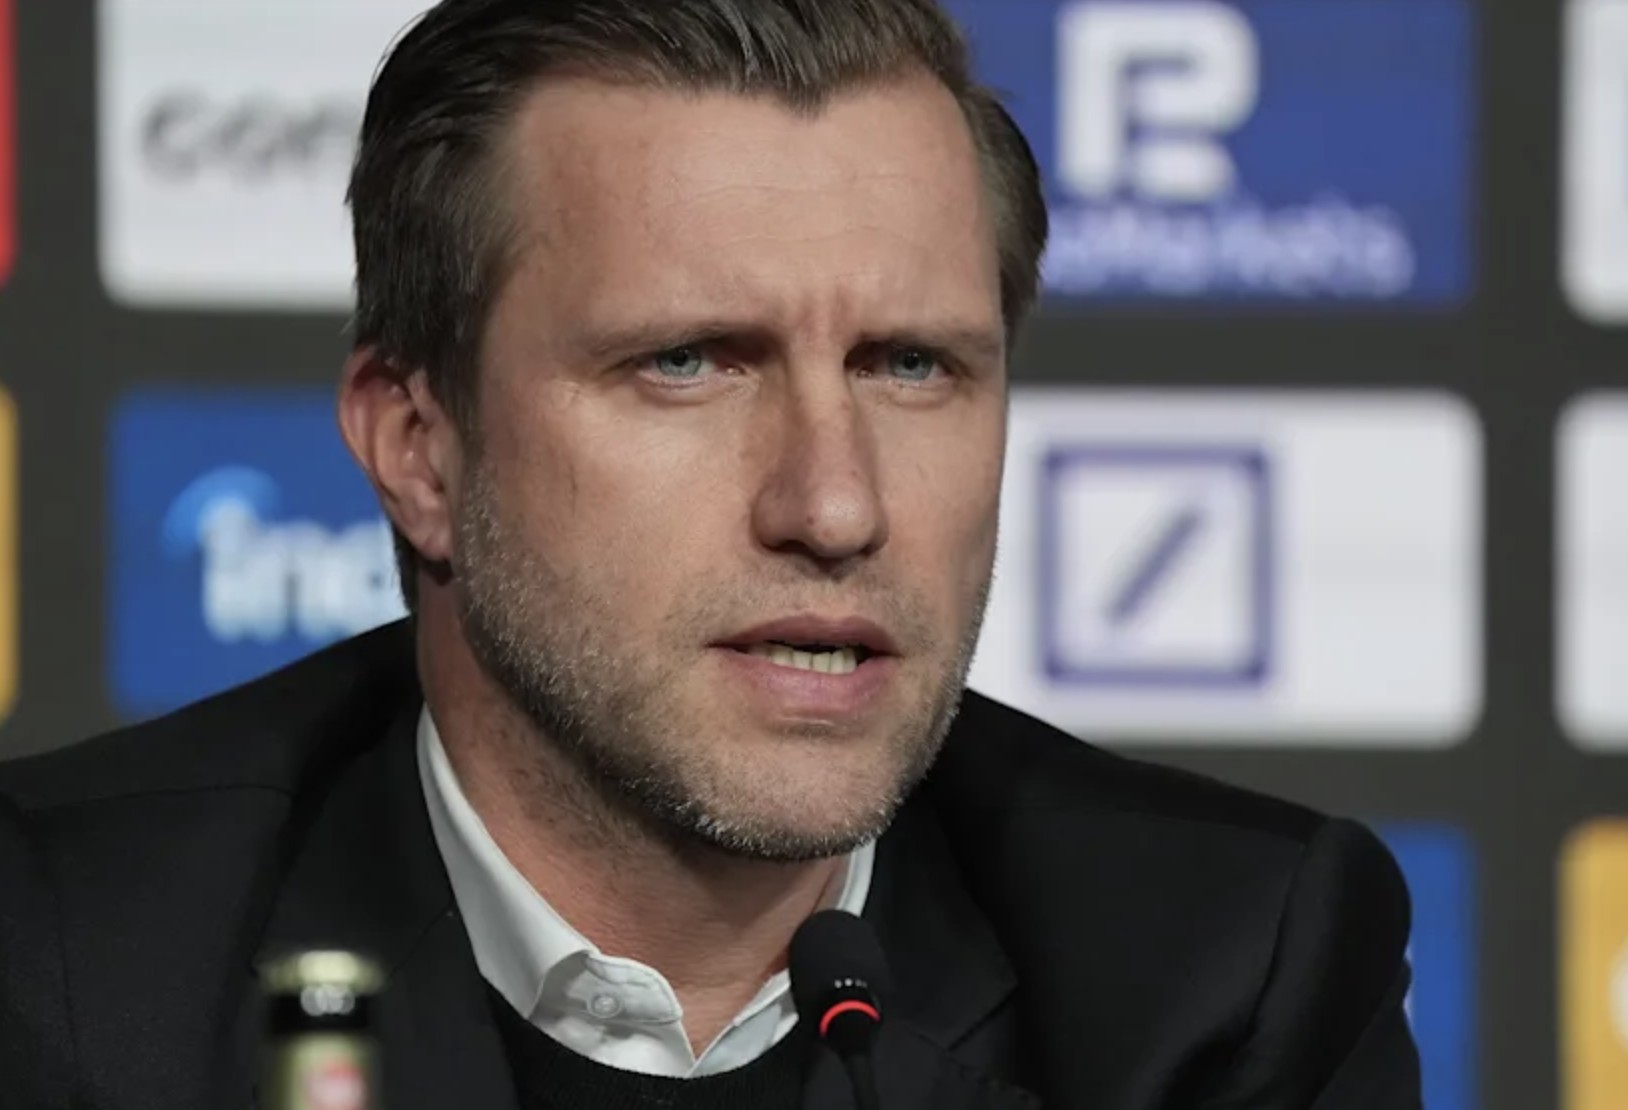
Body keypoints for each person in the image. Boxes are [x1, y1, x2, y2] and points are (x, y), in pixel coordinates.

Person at [0, 1, 1422, 1107]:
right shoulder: (60, 963)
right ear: (420, 446)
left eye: (910, 365)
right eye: (687, 362)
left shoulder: (1219, 983)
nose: (835, 506)